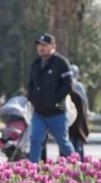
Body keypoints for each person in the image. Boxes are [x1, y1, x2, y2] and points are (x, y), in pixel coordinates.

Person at [27, 33, 74, 163]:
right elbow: (31, 84)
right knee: (35, 140)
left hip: (57, 112)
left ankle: (78, 167)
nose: (41, 48)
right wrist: (32, 98)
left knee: (63, 143)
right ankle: (32, 170)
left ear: (53, 46)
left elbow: (68, 86)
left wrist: (54, 100)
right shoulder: (36, 63)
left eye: (44, 45)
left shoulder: (61, 63)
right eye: (39, 45)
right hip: (39, 113)